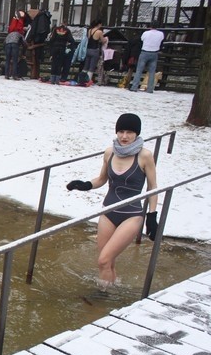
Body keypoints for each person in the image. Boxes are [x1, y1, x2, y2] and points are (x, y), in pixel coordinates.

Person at [66, 113, 159, 290]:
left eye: (129, 132)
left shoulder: (145, 156)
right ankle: (112, 290)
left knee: (104, 260)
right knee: (107, 261)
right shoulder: (110, 152)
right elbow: (102, 179)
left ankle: (102, 296)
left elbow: (153, 187)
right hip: (108, 212)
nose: (124, 136)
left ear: (137, 134)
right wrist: (85, 185)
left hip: (131, 215)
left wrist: (152, 216)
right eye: (121, 131)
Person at [130, 23, 165, 93]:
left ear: (150, 26)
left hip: (145, 52)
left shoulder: (145, 33)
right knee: (152, 72)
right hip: (154, 53)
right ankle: (150, 88)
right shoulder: (161, 34)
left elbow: (142, 39)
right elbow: (161, 40)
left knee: (139, 70)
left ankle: (134, 87)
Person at [80, 19, 105, 85]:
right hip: (95, 50)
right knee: (92, 67)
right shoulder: (99, 32)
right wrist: (106, 39)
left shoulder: (90, 30)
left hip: (88, 49)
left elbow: (88, 38)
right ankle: (88, 80)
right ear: (99, 24)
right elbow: (103, 41)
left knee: (86, 65)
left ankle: (81, 78)